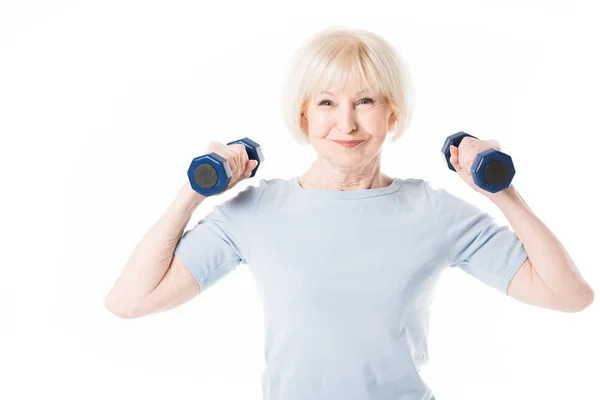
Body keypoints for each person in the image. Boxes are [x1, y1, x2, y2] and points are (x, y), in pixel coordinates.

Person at [105, 26, 594, 400]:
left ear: (392, 114)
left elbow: (569, 296)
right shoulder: (255, 211)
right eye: (326, 102)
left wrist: (502, 191)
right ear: (304, 117)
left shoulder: (434, 211)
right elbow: (130, 301)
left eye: (365, 101)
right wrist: (193, 195)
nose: (346, 122)